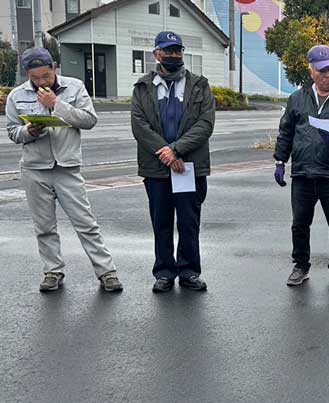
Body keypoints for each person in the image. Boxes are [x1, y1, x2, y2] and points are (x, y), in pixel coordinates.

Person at [6, 48, 123, 293]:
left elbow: (89, 120)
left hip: (67, 167)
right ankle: (52, 271)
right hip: (34, 168)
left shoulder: (75, 87)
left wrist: (56, 105)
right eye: (35, 78)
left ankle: (107, 272)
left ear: (54, 68)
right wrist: (29, 132)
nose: (40, 82)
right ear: (27, 74)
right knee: (44, 226)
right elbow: (12, 131)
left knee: (86, 223)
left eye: (45, 76)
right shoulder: (17, 95)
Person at [273, 44, 329, 288]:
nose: (328, 75)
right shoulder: (298, 98)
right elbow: (286, 132)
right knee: (300, 223)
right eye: (322, 71)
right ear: (311, 71)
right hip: (303, 172)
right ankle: (301, 265)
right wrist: (280, 161)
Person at [131, 31, 215, 293]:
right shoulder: (143, 87)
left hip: (189, 166)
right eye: (167, 51)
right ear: (156, 54)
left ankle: (189, 271)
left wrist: (177, 150)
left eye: (177, 51)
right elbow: (139, 125)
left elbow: (205, 123)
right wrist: (166, 153)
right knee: (162, 222)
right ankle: (164, 271)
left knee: (189, 222)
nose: (173, 56)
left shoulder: (200, 84)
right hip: (156, 168)